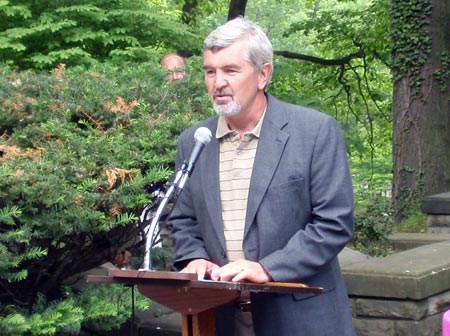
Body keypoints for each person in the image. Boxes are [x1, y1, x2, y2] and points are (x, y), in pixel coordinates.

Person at [168, 17, 355, 336]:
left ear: (263, 74)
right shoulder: (195, 140)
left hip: (299, 317)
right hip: (219, 317)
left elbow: (333, 223)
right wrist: (195, 257)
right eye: (210, 71)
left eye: (230, 70)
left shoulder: (314, 131)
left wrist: (268, 268)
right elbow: (184, 220)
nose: (218, 82)